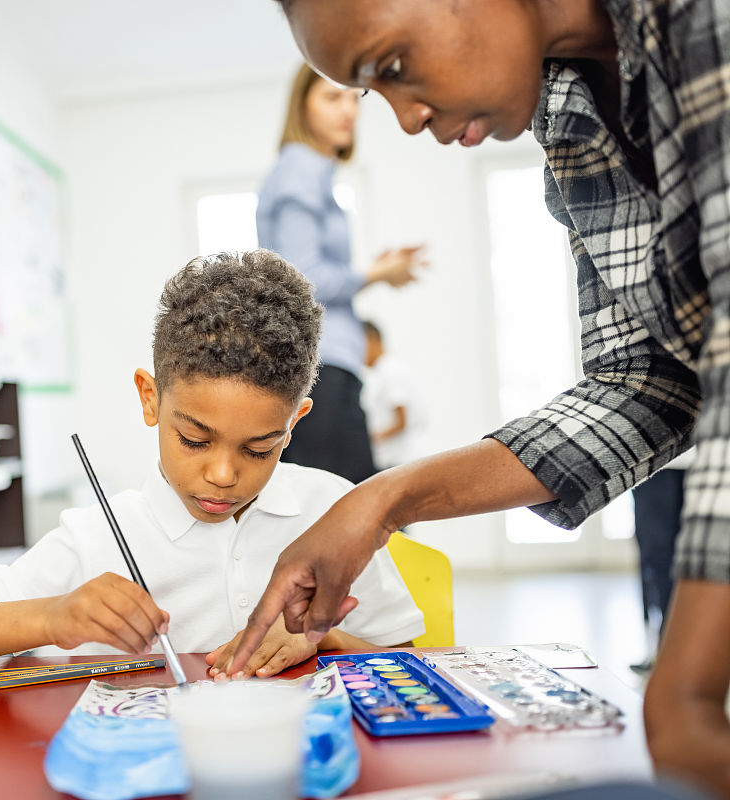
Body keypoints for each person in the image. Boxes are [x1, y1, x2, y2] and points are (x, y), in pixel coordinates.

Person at [228, 1, 730, 795]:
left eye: (389, 67)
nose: (405, 117)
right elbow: (647, 379)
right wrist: (383, 502)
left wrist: (690, 686)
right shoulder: (569, 110)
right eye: (368, 92)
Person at [0, 250, 424, 677]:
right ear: (151, 399)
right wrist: (50, 617)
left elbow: (405, 657)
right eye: (195, 439)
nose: (222, 474)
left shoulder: (335, 511)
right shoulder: (97, 535)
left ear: (294, 423)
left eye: (259, 449)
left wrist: (321, 636)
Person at [256, 63, 427, 484]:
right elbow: (304, 281)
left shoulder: (311, 173)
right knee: (350, 509)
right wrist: (377, 273)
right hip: (322, 365)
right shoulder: (301, 169)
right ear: (302, 106)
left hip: (326, 364)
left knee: (340, 507)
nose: (348, 109)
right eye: (332, 97)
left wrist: (374, 272)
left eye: (354, 98)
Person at [630, 451, 693, 674]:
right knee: (657, 558)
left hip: (711, 460)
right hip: (655, 460)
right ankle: (667, 651)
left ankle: (679, 652)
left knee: (698, 559)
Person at [361, 320, 419, 471]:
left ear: (370, 339)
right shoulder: (384, 370)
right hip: (394, 462)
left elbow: (402, 420)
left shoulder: (390, 370)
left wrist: (367, 439)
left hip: (397, 462)